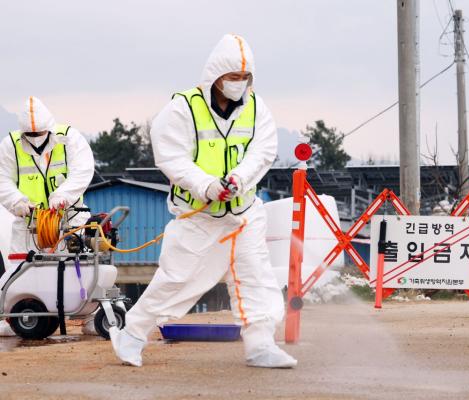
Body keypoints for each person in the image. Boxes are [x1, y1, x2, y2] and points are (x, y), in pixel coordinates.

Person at [110, 34, 297, 368]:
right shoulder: (183, 108)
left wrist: (241, 177)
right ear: (215, 76)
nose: (239, 84)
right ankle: (132, 334)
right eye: (232, 78)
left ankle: (260, 344)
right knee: (176, 280)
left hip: (244, 214)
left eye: (244, 78)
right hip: (198, 217)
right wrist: (206, 186)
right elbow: (171, 156)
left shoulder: (257, 107)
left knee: (255, 278)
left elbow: (263, 150)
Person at [0, 96, 96, 336]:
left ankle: (89, 316)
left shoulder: (70, 138)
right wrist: (18, 203)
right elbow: (2, 180)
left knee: (79, 267)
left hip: (69, 218)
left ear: (49, 128)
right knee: (19, 270)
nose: (35, 139)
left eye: (39, 133)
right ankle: (14, 318)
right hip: (29, 221)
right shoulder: (10, 145)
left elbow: (83, 171)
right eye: (30, 136)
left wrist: (62, 196)